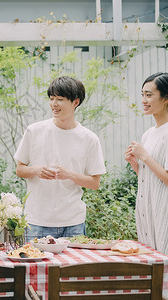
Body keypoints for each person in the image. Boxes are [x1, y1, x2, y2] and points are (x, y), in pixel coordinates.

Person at [124, 72, 168, 299]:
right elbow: (152, 177)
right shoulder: (149, 133)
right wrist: (137, 163)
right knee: (153, 273)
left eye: (149, 95)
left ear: (166, 98)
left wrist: (145, 157)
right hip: (149, 211)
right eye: (142, 94)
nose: (143, 100)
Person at [14, 76, 106, 241]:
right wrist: (37, 170)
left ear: (75, 102)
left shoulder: (89, 138)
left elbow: (95, 183)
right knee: (35, 266)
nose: (54, 104)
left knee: (73, 267)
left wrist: (69, 174)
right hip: (36, 220)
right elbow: (19, 169)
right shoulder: (34, 131)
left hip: (73, 222)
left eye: (60, 99)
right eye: (51, 98)